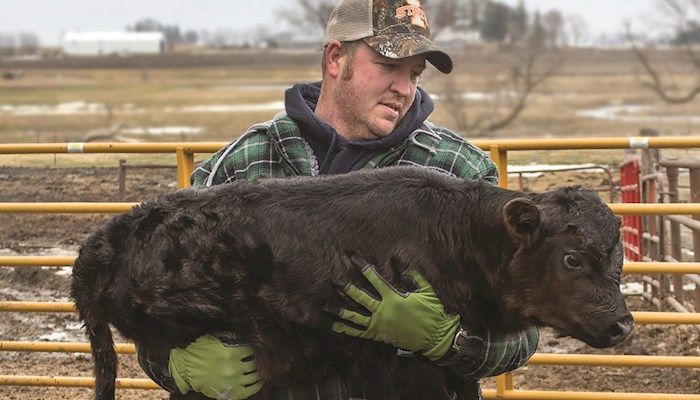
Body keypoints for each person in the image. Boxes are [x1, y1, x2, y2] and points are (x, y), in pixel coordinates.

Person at [137, 0, 539, 399]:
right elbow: (147, 305)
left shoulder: (457, 173)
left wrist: (447, 338)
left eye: (414, 73)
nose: (404, 88)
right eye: (388, 66)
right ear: (335, 59)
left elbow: (525, 332)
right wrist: (178, 366)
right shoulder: (240, 168)